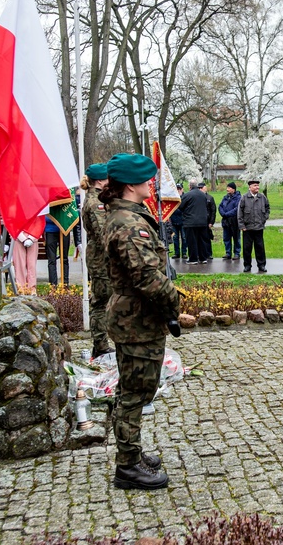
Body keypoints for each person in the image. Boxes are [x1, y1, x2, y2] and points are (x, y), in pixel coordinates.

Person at [99, 153, 181, 490]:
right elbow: (148, 278)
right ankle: (128, 467)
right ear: (131, 185)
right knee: (135, 394)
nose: (153, 183)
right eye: (148, 178)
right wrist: (174, 303)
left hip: (136, 318)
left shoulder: (127, 216)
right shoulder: (129, 225)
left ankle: (131, 453)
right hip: (137, 320)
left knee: (135, 390)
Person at [80, 163, 114, 358]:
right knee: (101, 301)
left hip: (100, 256)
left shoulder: (97, 199)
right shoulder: (96, 203)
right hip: (101, 258)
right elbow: (104, 233)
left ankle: (101, 343)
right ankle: (100, 345)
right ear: (101, 180)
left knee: (104, 300)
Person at [238, 179, 270, 273]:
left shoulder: (262, 197)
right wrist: (241, 225)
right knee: (247, 248)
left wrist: (264, 218)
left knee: (260, 247)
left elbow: (267, 208)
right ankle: (247, 265)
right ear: (250, 187)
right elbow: (239, 213)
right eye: (255, 185)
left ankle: (261, 265)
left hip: (259, 227)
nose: (257, 187)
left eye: (258, 185)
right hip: (247, 228)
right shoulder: (244, 198)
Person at [179, 180, 209, 264]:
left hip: (190, 221)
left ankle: (193, 258)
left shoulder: (187, 195)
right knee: (202, 240)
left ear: (190, 186)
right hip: (202, 221)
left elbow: (181, 206)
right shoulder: (203, 195)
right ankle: (203, 258)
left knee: (192, 241)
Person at [44, 215, 70, 286]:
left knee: (64, 258)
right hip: (50, 230)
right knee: (51, 260)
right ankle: (53, 285)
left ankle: (65, 283)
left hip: (65, 229)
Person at [218, 182, 241, 260]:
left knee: (236, 238)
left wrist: (227, 214)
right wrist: (223, 213)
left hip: (234, 221)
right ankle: (228, 253)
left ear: (233, 189)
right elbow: (220, 206)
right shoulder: (225, 197)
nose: (227, 189)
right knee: (226, 238)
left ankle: (237, 253)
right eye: (227, 188)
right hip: (226, 221)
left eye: (229, 188)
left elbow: (237, 209)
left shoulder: (238, 198)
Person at [169, 184, 187, 259]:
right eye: (177, 189)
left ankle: (184, 253)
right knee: (175, 238)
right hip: (174, 221)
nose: (178, 190)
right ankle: (177, 253)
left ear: (182, 189)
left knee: (184, 237)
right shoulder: (172, 197)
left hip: (183, 221)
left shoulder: (185, 197)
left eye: (180, 188)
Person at [200, 182, 216, 259]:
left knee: (207, 238)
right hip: (200, 221)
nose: (200, 189)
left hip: (207, 221)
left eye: (201, 188)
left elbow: (213, 211)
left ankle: (209, 253)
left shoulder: (210, 198)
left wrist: (211, 222)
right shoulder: (198, 198)